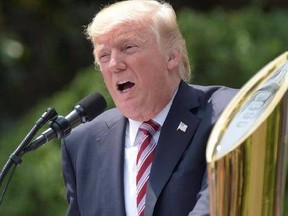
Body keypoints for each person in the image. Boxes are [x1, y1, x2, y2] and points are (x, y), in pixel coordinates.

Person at [61, 0, 237, 215]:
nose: (114, 65)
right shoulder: (82, 144)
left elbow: (220, 207)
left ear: (172, 55)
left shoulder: (225, 113)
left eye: (128, 47)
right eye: (104, 56)